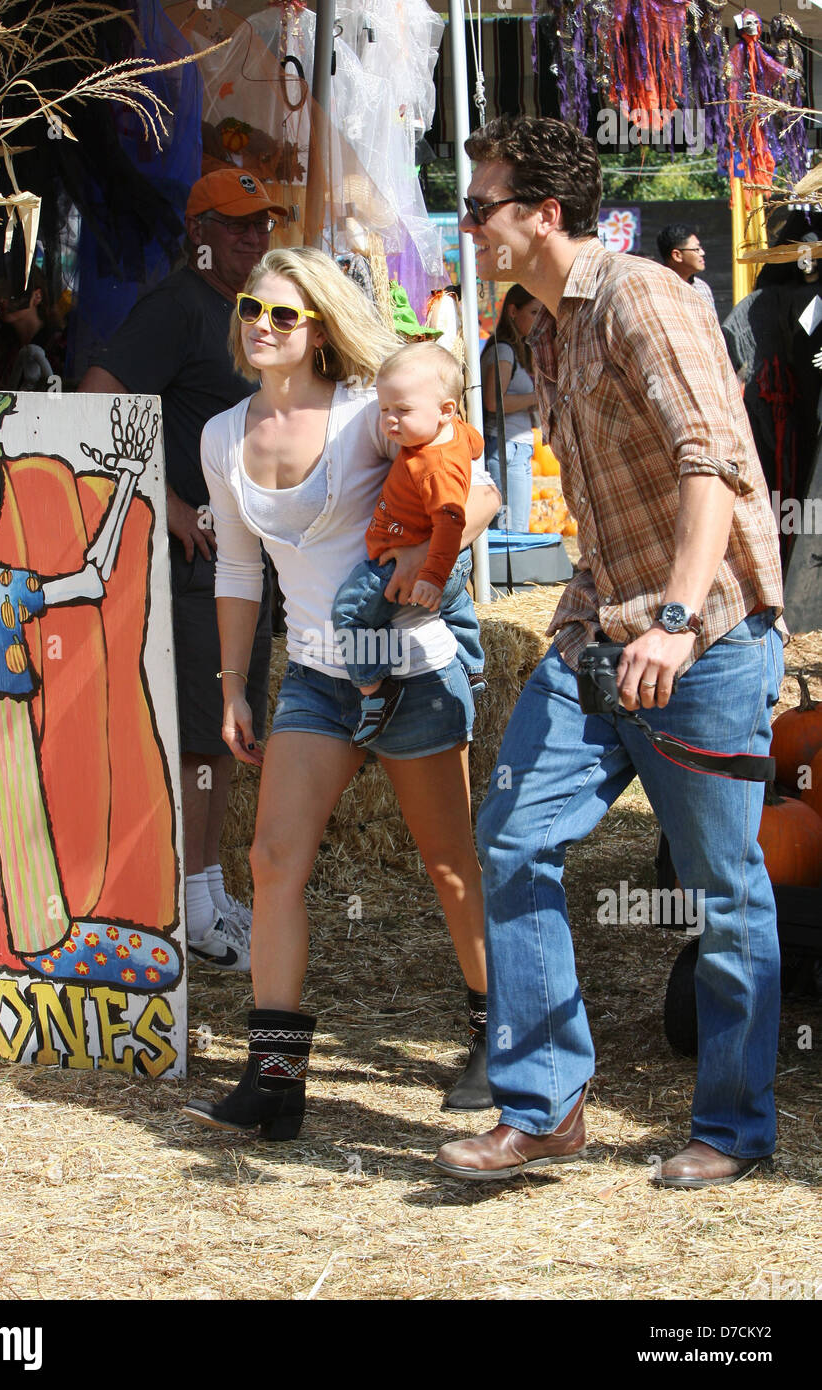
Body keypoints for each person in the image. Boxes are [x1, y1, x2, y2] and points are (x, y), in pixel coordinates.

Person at [434, 115, 784, 1189]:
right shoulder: (540, 324)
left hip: (706, 639)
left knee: (721, 892)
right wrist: (590, 621)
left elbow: (710, 461)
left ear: (543, 213)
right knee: (510, 836)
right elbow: (598, 500)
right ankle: (544, 1106)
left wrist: (674, 622)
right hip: (604, 637)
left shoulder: (640, 294)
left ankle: (730, 1128)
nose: (469, 225)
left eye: (481, 206)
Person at [180, 246, 502, 1139]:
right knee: (273, 861)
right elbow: (239, 572)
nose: (261, 326)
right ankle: (275, 1084)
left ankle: (494, 1035)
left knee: (446, 862)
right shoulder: (221, 436)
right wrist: (235, 687)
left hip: (408, 666)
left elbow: (479, 494)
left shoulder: (369, 416)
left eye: (283, 315)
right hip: (319, 676)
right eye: (251, 307)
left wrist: (419, 562)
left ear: (318, 328)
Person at [79, 169, 286, 972]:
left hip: (239, 559)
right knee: (203, 739)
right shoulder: (174, 307)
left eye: (262, 223)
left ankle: (206, 888)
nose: (254, 236)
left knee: (226, 737)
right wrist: (167, 503)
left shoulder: (240, 312)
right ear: (197, 229)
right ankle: (193, 907)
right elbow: (96, 396)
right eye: (236, 224)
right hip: (197, 564)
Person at [331, 341, 486, 745]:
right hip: (456, 564)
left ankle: (374, 691)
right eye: (384, 409)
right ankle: (472, 669)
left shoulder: (432, 467)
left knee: (349, 612)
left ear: (445, 410)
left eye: (403, 410)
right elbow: (476, 443)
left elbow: (452, 522)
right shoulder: (455, 433)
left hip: (405, 562)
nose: (390, 421)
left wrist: (431, 575)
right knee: (456, 605)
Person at [480, 284, 540, 531]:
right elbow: (494, 402)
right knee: (511, 532)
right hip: (505, 447)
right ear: (513, 311)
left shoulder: (516, 350)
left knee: (516, 529)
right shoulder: (503, 350)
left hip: (516, 447)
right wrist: (536, 398)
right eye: (534, 313)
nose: (538, 321)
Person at [0, 268, 65, 390]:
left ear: (37, 296)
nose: (3, 299)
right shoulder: (3, 344)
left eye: (14, 293)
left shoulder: (56, 344)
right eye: (0, 291)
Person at [656, 223, 717, 314]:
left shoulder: (702, 287)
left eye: (700, 247)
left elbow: (713, 326)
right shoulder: (656, 288)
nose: (702, 253)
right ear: (677, 255)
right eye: (696, 249)